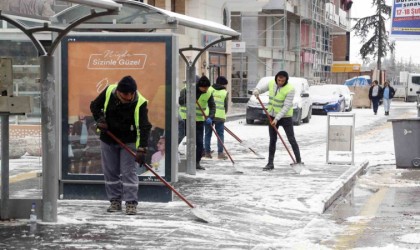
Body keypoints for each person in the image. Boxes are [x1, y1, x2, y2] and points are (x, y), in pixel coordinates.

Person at [90, 75, 152, 215]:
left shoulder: (140, 102)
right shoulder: (109, 91)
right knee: (111, 171)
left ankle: (131, 203)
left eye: (131, 93)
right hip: (108, 138)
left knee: (128, 172)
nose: (129, 97)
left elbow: (144, 126)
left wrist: (142, 149)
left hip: (129, 141)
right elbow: (94, 106)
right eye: (125, 94)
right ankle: (115, 201)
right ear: (118, 91)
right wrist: (100, 120)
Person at [252, 71, 302, 171]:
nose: (280, 82)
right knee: (272, 140)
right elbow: (262, 88)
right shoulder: (271, 83)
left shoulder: (290, 89)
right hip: (271, 115)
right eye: (279, 80)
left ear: (286, 80)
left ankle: (299, 161)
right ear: (276, 79)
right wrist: (257, 90)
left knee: (291, 139)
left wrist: (277, 119)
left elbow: (286, 106)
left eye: (283, 81)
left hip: (285, 117)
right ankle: (270, 163)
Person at [178, 75, 216, 170]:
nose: (206, 90)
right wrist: (190, 95)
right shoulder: (186, 89)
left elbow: (212, 106)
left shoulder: (209, 92)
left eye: (207, 88)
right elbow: (180, 101)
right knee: (177, 139)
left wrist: (210, 117)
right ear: (199, 86)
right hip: (184, 120)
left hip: (198, 121)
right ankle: (169, 158)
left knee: (199, 143)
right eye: (204, 88)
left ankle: (196, 162)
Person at [204, 76, 229, 160]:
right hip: (220, 117)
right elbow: (226, 106)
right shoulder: (224, 92)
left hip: (208, 115)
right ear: (223, 84)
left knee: (207, 134)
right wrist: (223, 114)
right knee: (220, 135)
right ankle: (220, 153)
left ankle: (207, 152)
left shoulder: (209, 89)